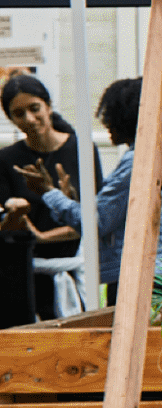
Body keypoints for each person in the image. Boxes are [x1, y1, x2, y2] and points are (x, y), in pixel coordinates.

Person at [12, 79, 162, 306]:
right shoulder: (152, 156)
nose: (105, 122)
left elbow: (95, 222)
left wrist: (48, 192)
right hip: (152, 273)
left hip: (137, 277)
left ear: (125, 117)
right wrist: (70, 200)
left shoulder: (136, 163)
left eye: (109, 114)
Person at [0, 74, 102, 320]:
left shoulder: (82, 150)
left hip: (72, 268)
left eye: (35, 109)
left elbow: (96, 220)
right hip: (22, 273)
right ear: (10, 118)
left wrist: (42, 237)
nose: (30, 119)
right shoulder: (7, 159)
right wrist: (15, 214)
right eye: (19, 113)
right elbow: (7, 229)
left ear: (48, 105)